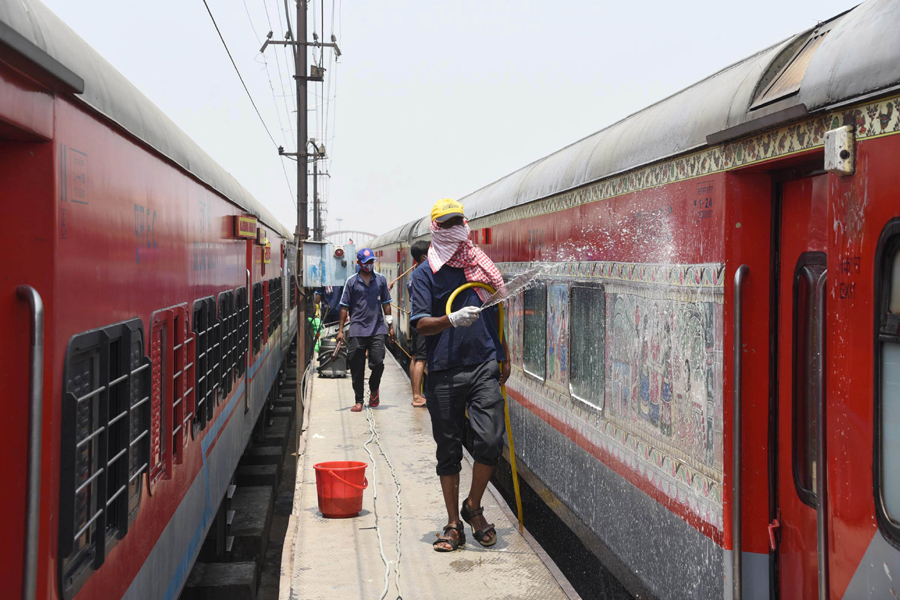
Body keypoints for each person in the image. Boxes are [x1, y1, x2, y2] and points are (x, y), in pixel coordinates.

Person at [409, 198, 510, 552]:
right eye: (447, 224)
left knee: (491, 439)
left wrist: (504, 351)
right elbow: (420, 324)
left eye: (458, 222)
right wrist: (450, 319)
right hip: (444, 369)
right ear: (436, 229)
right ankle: (454, 524)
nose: (455, 230)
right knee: (449, 448)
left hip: (483, 361)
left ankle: (473, 506)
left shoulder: (477, 265)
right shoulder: (424, 275)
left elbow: (496, 308)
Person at [337, 248, 395, 412]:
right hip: (357, 329)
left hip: (377, 328)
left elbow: (386, 304)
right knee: (357, 366)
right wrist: (341, 330)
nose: (369, 265)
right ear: (359, 263)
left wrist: (390, 326)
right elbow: (344, 307)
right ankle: (359, 400)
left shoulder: (381, 281)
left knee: (377, 362)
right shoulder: (351, 282)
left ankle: (374, 388)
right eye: (366, 262)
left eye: (371, 262)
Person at [407, 240, 431, 407]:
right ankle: (417, 396)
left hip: (415, 319)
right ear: (424, 257)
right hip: (422, 320)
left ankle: (415, 393)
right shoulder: (422, 275)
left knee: (415, 357)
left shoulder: (413, 275)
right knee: (421, 359)